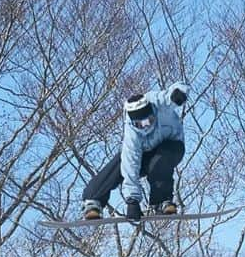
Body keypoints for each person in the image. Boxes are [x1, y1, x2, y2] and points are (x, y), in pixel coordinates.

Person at [81, 82, 189, 221]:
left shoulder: (157, 103)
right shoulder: (132, 132)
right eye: (140, 124)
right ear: (133, 122)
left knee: (160, 160)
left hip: (172, 147)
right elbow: (130, 164)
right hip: (147, 154)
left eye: (149, 121)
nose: (145, 126)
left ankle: (162, 201)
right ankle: (93, 202)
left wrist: (178, 94)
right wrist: (132, 201)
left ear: (152, 111)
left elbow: (170, 94)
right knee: (120, 163)